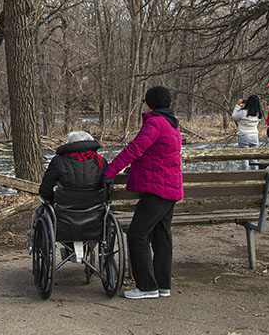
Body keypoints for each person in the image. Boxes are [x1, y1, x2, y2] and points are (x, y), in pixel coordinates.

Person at [102, 85, 183, 300]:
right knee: (161, 237)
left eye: (145, 101)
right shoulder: (171, 124)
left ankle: (147, 286)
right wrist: (136, 168)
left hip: (158, 189)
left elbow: (135, 149)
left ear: (151, 103)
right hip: (170, 188)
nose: (143, 104)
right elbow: (158, 154)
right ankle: (162, 285)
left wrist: (110, 171)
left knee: (137, 235)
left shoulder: (155, 123)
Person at [37, 130, 106, 202]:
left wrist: (52, 200)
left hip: (63, 208)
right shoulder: (100, 161)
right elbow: (108, 186)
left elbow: (45, 190)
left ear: (70, 143)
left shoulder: (58, 161)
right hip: (96, 207)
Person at [232, 95, 262, 170]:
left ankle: (245, 174)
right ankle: (255, 174)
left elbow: (234, 116)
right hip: (254, 136)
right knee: (254, 158)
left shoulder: (243, 112)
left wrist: (238, 106)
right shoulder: (258, 114)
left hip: (244, 135)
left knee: (244, 157)